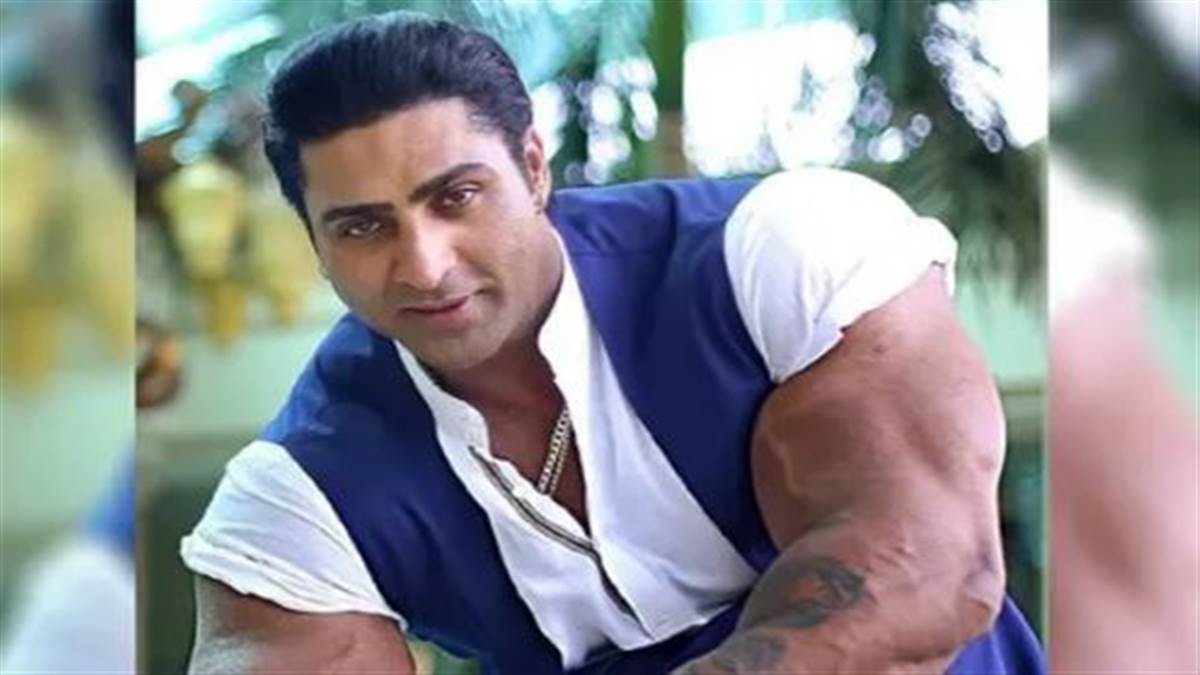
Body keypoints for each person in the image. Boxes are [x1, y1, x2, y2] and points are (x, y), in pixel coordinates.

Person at [183, 12, 1043, 674]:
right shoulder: (295, 498)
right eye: (363, 227)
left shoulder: (781, 255)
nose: (424, 265)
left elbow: (928, 573)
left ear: (533, 166)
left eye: (457, 197)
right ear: (315, 241)